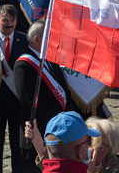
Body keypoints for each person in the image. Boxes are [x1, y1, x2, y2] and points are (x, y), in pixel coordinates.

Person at [13, 20, 78, 172]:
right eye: (49, 37)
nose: (53, 42)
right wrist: (57, 118)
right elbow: (28, 102)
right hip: (37, 134)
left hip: (58, 133)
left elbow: (64, 90)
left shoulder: (50, 60)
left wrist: (66, 116)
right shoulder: (23, 65)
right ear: (37, 40)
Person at [0, 5, 29, 173]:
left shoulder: (24, 40)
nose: (9, 24)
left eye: (12, 20)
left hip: (17, 103)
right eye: (5, 20)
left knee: (17, 146)